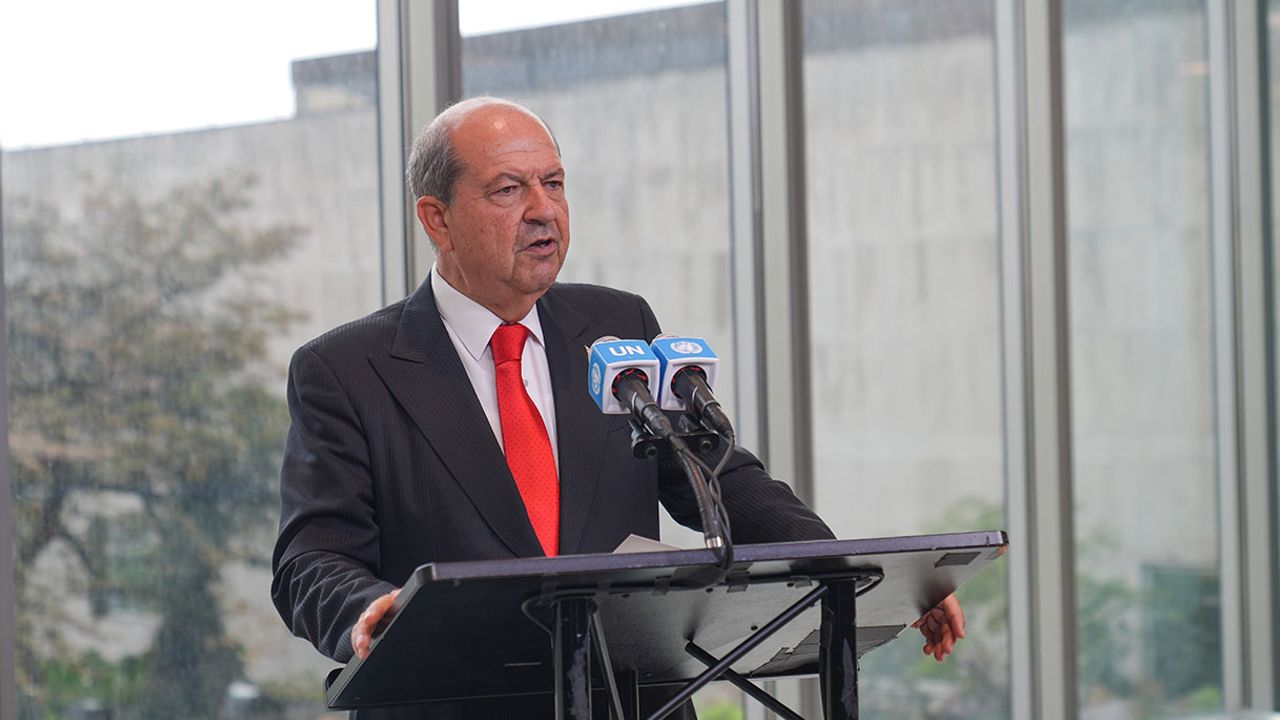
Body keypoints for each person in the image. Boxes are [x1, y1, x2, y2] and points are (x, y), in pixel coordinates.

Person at [271, 97, 964, 719]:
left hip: (629, 702)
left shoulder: (617, 328)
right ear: (438, 219)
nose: (543, 209)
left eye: (554, 183)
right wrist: (369, 610)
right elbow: (311, 558)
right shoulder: (347, 370)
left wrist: (861, 579)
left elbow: (720, 481)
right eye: (509, 189)